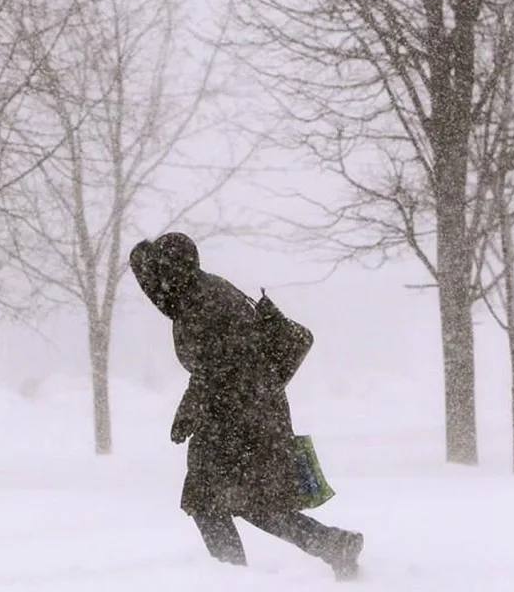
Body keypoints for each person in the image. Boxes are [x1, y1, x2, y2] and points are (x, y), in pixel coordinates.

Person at [129, 232, 364, 579]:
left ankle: (232, 580)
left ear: (176, 271)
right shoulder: (202, 293)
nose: (157, 285)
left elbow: (218, 361)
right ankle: (332, 545)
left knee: (208, 499)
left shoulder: (202, 301)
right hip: (249, 410)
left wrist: (188, 410)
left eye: (162, 274)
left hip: (238, 415)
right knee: (255, 503)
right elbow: (223, 359)